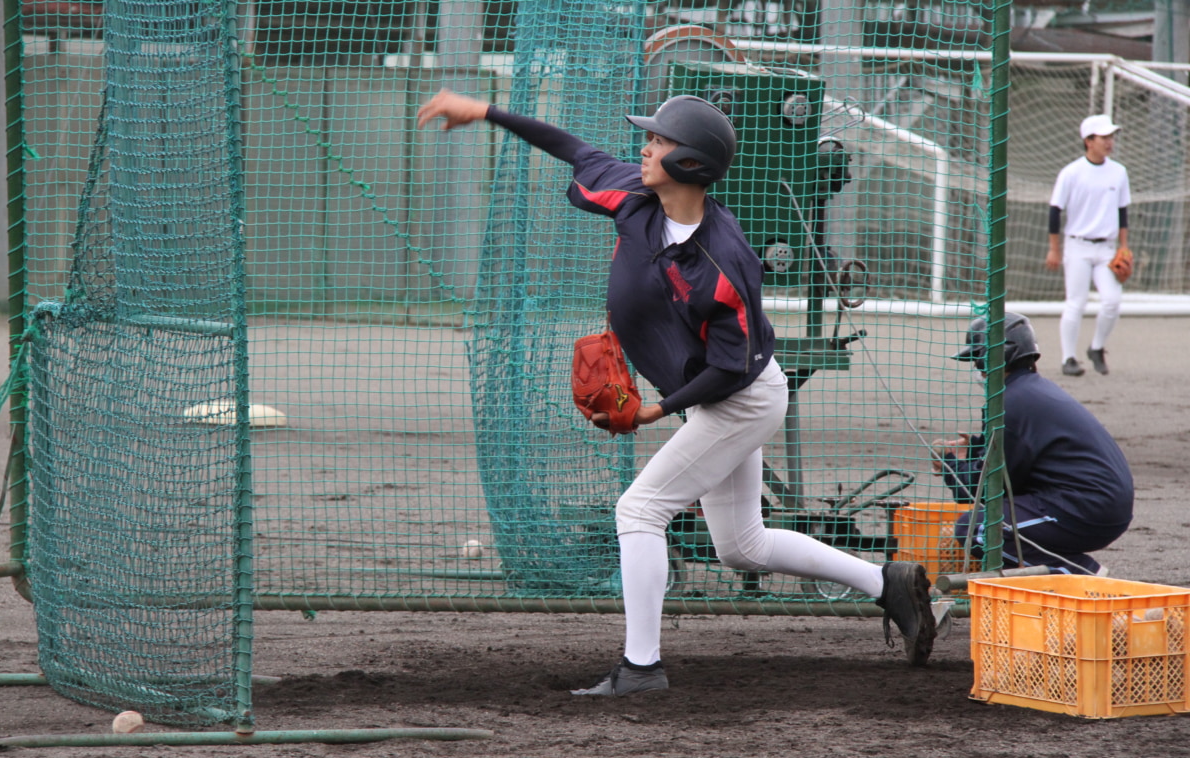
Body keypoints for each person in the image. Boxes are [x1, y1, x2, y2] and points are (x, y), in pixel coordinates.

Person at [417, 90, 937, 695]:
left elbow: (729, 370)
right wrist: (484, 112)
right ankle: (889, 585)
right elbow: (572, 149)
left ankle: (640, 668)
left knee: (639, 510)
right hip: (722, 398)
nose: (645, 146)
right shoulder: (638, 199)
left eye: (659, 141)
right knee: (743, 545)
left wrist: (659, 410)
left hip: (740, 397)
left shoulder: (724, 260)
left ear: (689, 164)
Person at [933, 312, 1133, 576]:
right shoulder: (1028, 391)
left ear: (1000, 356)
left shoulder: (1009, 403)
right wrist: (973, 448)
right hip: (1096, 502)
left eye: (979, 360)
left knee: (977, 528)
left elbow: (986, 488)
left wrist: (949, 464)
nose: (978, 370)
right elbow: (1018, 458)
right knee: (994, 523)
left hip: (1087, 506)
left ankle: (1083, 575)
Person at [1045, 114, 1132, 377]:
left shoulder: (1119, 172)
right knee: (1076, 302)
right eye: (1104, 137)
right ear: (1088, 140)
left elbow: (1123, 212)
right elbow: (1054, 211)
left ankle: (1096, 347)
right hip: (1078, 246)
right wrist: (1054, 249)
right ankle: (1068, 358)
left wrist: (1124, 247)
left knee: (1112, 301)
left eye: (1111, 137)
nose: (1109, 142)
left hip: (1106, 248)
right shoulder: (1071, 172)